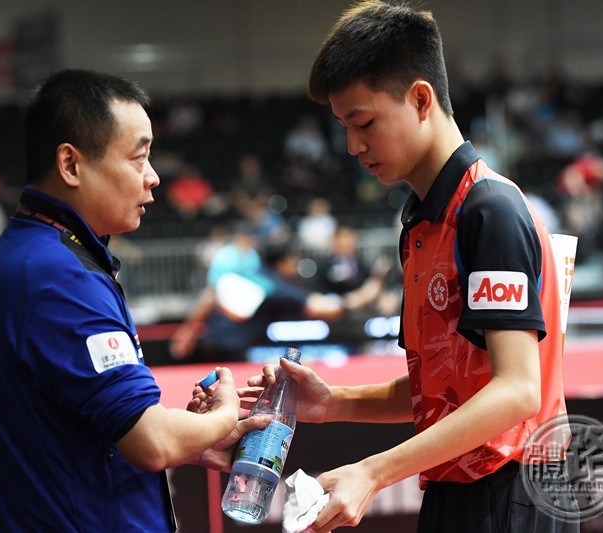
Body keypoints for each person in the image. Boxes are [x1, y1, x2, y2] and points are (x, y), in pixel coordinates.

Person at [246, 3, 575, 532]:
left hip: (515, 494)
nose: (353, 146)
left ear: (421, 99)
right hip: (457, 491)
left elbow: (517, 390)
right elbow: (447, 389)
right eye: (343, 128)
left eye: (364, 123)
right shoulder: (423, 224)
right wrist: (334, 404)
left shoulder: (489, 210)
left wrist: (373, 472)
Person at [0, 69, 268, 531]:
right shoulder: (60, 278)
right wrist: (225, 416)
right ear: (70, 165)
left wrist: (194, 440)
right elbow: (152, 444)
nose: (154, 177)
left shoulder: (13, 254)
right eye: (138, 157)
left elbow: (68, 426)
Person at [170, 237, 344, 363]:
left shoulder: (250, 272)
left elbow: (208, 297)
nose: (296, 266)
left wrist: (188, 333)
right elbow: (325, 309)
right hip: (236, 352)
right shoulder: (275, 286)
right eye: (294, 260)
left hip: (213, 344)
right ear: (283, 262)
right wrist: (349, 303)